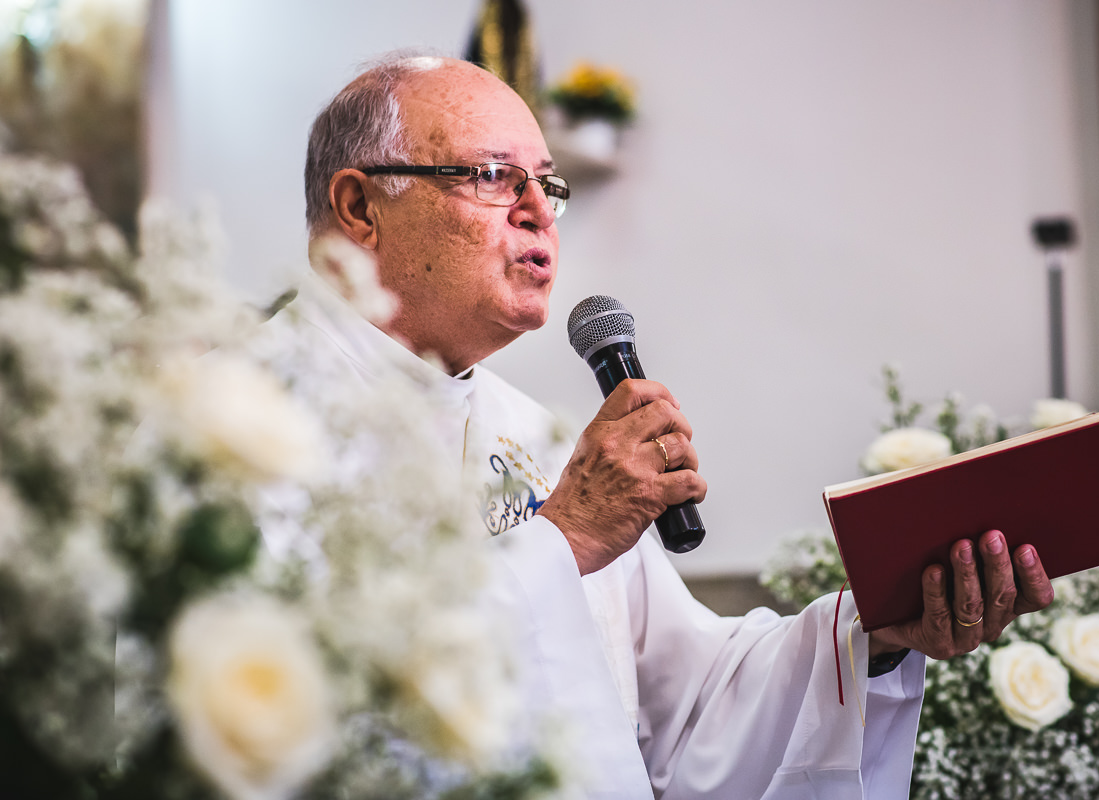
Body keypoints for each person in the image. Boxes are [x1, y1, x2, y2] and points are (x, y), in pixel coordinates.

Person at [278, 51, 1054, 799]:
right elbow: (297, 708)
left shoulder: (534, 438)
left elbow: (684, 713)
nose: (540, 210)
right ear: (359, 208)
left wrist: (874, 636)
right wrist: (566, 536)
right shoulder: (239, 424)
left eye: (546, 183)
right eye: (491, 176)